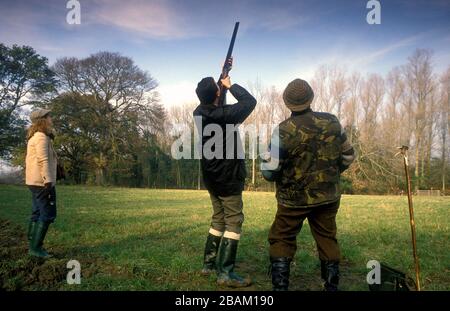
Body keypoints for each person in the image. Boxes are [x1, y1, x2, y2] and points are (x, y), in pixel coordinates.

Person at [262, 79, 355, 291]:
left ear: (287, 103)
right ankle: (331, 286)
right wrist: (331, 173)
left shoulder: (283, 130)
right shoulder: (332, 122)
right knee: (326, 237)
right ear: (311, 98)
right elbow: (348, 156)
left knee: (282, 237)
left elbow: (269, 172)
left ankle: (280, 287)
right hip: (328, 196)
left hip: (292, 200)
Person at [193, 64, 256, 287]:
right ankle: (225, 273)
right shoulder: (225, 116)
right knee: (234, 221)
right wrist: (231, 85)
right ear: (216, 94)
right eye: (219, 89)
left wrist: (223, 78)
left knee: (218, 219)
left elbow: (215, 103)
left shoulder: (199, 112)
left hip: (211, 178)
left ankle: (208, 265)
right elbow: (250, 102)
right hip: (228, 179)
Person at [25, 109, 58, 258]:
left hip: (34, 182)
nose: (51, 118)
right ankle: (35, 249)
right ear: (42, 120)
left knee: (37, 212)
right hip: (42, 183)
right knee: (47, 214)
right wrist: (48, 181)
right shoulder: (41, 137)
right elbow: (42, 160)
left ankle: (32, 244)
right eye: (49, 116)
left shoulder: (36, 136)